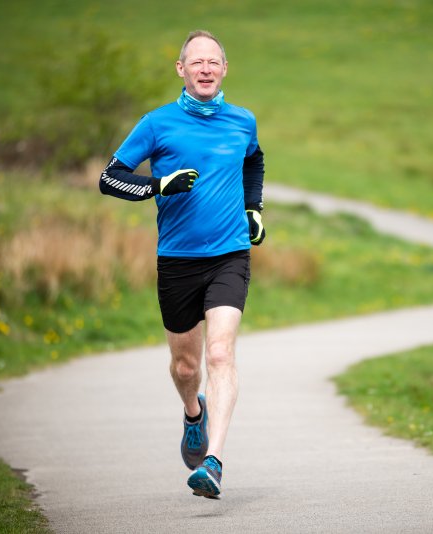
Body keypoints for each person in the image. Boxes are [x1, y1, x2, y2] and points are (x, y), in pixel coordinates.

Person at [98, 29, 265, 499]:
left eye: (214, 62)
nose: (206, 69)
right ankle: (194, 413)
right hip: (177, 262)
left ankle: (213, 463)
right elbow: (110, 179)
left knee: (219, 354)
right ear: (181, 69)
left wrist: (253, 209)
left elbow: (254, 162)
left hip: (230, 255)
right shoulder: (157, 123)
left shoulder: (242, 121)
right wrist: (158, 185)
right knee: (187, 366)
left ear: (225, 69)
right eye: (197, 63)